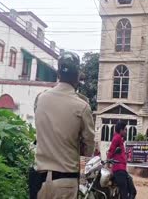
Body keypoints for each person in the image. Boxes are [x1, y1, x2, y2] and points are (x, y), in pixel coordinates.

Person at [33, 51, 95, 199]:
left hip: (39, 181)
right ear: (77, 76)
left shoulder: (40, 99)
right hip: (65, 183)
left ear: (59, 73)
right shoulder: (82, 106)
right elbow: (89, 148)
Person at [107, 122, 137, 199]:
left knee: (132, 190)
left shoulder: (119, 138)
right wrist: (108, 165)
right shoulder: (116, 138)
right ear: (121, 130)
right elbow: (111, 151)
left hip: (122, 169)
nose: (126, 132)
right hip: (118, 169)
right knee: (124, 192)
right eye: (125, 130)